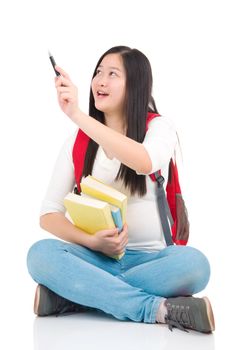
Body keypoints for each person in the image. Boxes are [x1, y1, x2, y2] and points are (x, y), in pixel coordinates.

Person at [27, 46, 215, 333]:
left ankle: (76, 296)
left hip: (153, 261)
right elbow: (49, 215)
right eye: (98, 72)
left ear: (135, 84)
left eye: (112, 74)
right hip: (95, 259)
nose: (100, 81)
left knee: (195, 265)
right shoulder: (77, 142)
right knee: (39, 254)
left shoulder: (159, 128)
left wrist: (77, 115)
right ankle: (155, 309)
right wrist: (93, 243)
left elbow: (145, 161)